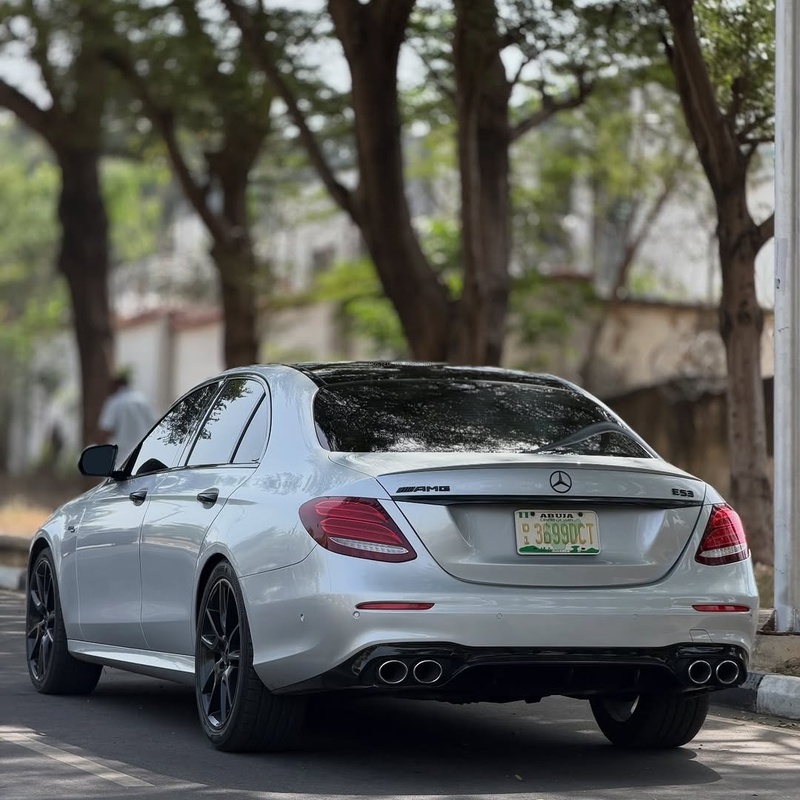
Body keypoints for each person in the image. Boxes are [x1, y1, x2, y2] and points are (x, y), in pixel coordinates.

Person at [98, 371, 156, 462]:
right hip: (143, 455)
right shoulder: (143, 400)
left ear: (117, 386)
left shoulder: (114, 402)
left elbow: (105, 430)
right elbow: (154, 425)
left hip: (122, 458)